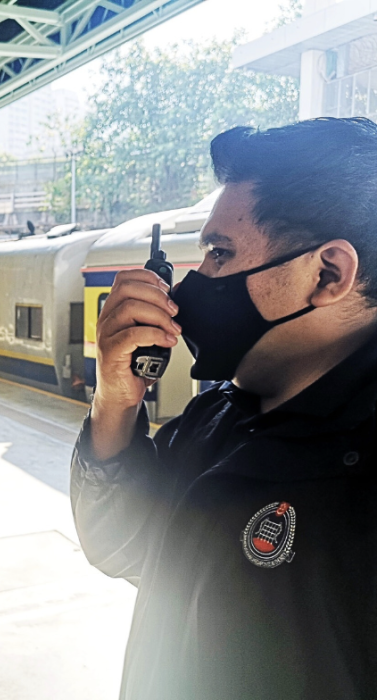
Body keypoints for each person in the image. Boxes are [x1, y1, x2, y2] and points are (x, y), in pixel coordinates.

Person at [73, 117, 377, 699]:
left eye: (218, 253)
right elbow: (122, 545)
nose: (191, 286)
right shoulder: (219, 415)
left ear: (329, 272)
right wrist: (115, 400)